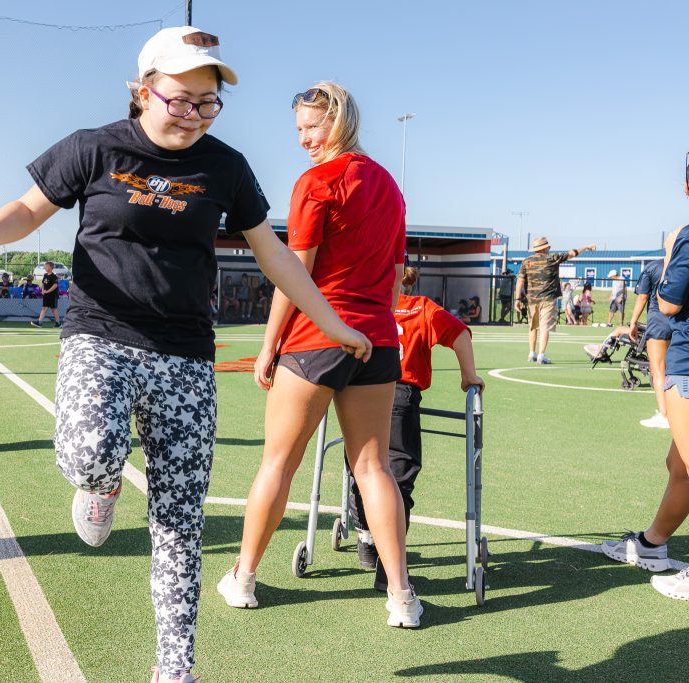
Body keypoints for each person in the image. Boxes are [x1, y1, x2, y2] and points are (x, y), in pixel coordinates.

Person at [0, 27, 370, 683]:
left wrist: (332, 322)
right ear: (143, 91)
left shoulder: (226, 167)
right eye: (182, 99)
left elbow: (275, 256)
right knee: (89, 457)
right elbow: (31, 209)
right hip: (101, 335)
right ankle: (104, 485)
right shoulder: (95, 148)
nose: (195, 114)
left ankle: (175, 667)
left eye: (208, 103)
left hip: (185, 354)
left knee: (179, 520)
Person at [216, 80, 422, 628]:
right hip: (378, 340)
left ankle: (244, 577)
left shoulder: (316, 183)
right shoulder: (390, 187)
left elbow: (294, 272)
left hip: (316, 339)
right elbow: (397, 278)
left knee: (278, 464)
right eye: (300, 129)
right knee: (373, 467)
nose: (305, 138)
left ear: (341, 120)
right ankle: (401, 595)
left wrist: (267, 346)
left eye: (314, 126)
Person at [344, 267, 484, 587]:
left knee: (361, 471)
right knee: (397, 481)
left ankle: (366, 538)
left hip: (360, 392)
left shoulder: (365, 303)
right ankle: (388, 566)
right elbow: (459, 333)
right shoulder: (421, 307)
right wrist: (468, 376)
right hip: (400, 397)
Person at [601, 174, 689, 599]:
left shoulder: (685, 238)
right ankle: (652, 544)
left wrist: (673, 251)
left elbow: (670, 302)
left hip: (687, 365)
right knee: (680, 465)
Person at [515, 236, 597, 364]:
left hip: (531, 299)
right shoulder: (552, 258)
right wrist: (586, 247)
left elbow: (520, 280)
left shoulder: (526, 261)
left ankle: (532, 353)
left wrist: (517, 299)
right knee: (544, 327)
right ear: (546, 248)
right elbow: (572, 253)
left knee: (532, 327)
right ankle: (541, 355)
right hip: (548, 299)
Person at [631, 259, 672, 429]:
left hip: (659, 321)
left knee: (658, 370)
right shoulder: (683, 264)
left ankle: (665, 415)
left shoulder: (654, 266)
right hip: (682, 322)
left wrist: (633, 322)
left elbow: (642, 296)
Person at [31, 260, 61, 327]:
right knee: (44, 308)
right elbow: (43, 283)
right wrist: (42, 290)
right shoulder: (45, 275)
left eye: (46, 266)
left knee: (53, 309)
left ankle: (58, 323)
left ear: (50, 267)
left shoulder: (54, 276)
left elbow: (55, 285)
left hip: (53, 295)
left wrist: (47, 291)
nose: (44, 268)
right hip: (46, 295)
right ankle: (39, 322)